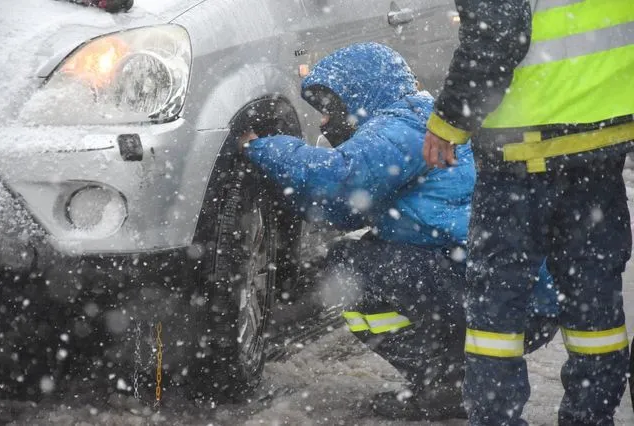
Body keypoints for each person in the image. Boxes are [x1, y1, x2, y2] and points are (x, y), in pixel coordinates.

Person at [239, 42, 559, 421]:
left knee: (348, 269)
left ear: (360, 93)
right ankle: (452, 379)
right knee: (370, 255)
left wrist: (263, 147)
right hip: (518, 295)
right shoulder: (418, 118)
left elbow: (338, 183)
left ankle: (447, 380)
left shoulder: (401, 126)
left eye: (329, 109)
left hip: (502, 296)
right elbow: (345, 209)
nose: (324, 123)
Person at [422, 1, 634, 424]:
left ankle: (496, 418)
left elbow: (497, 34)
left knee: (496, 312)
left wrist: (448, 120)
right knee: (595, 305)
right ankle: (591, 415)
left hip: (521, 152)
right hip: (601, 145)